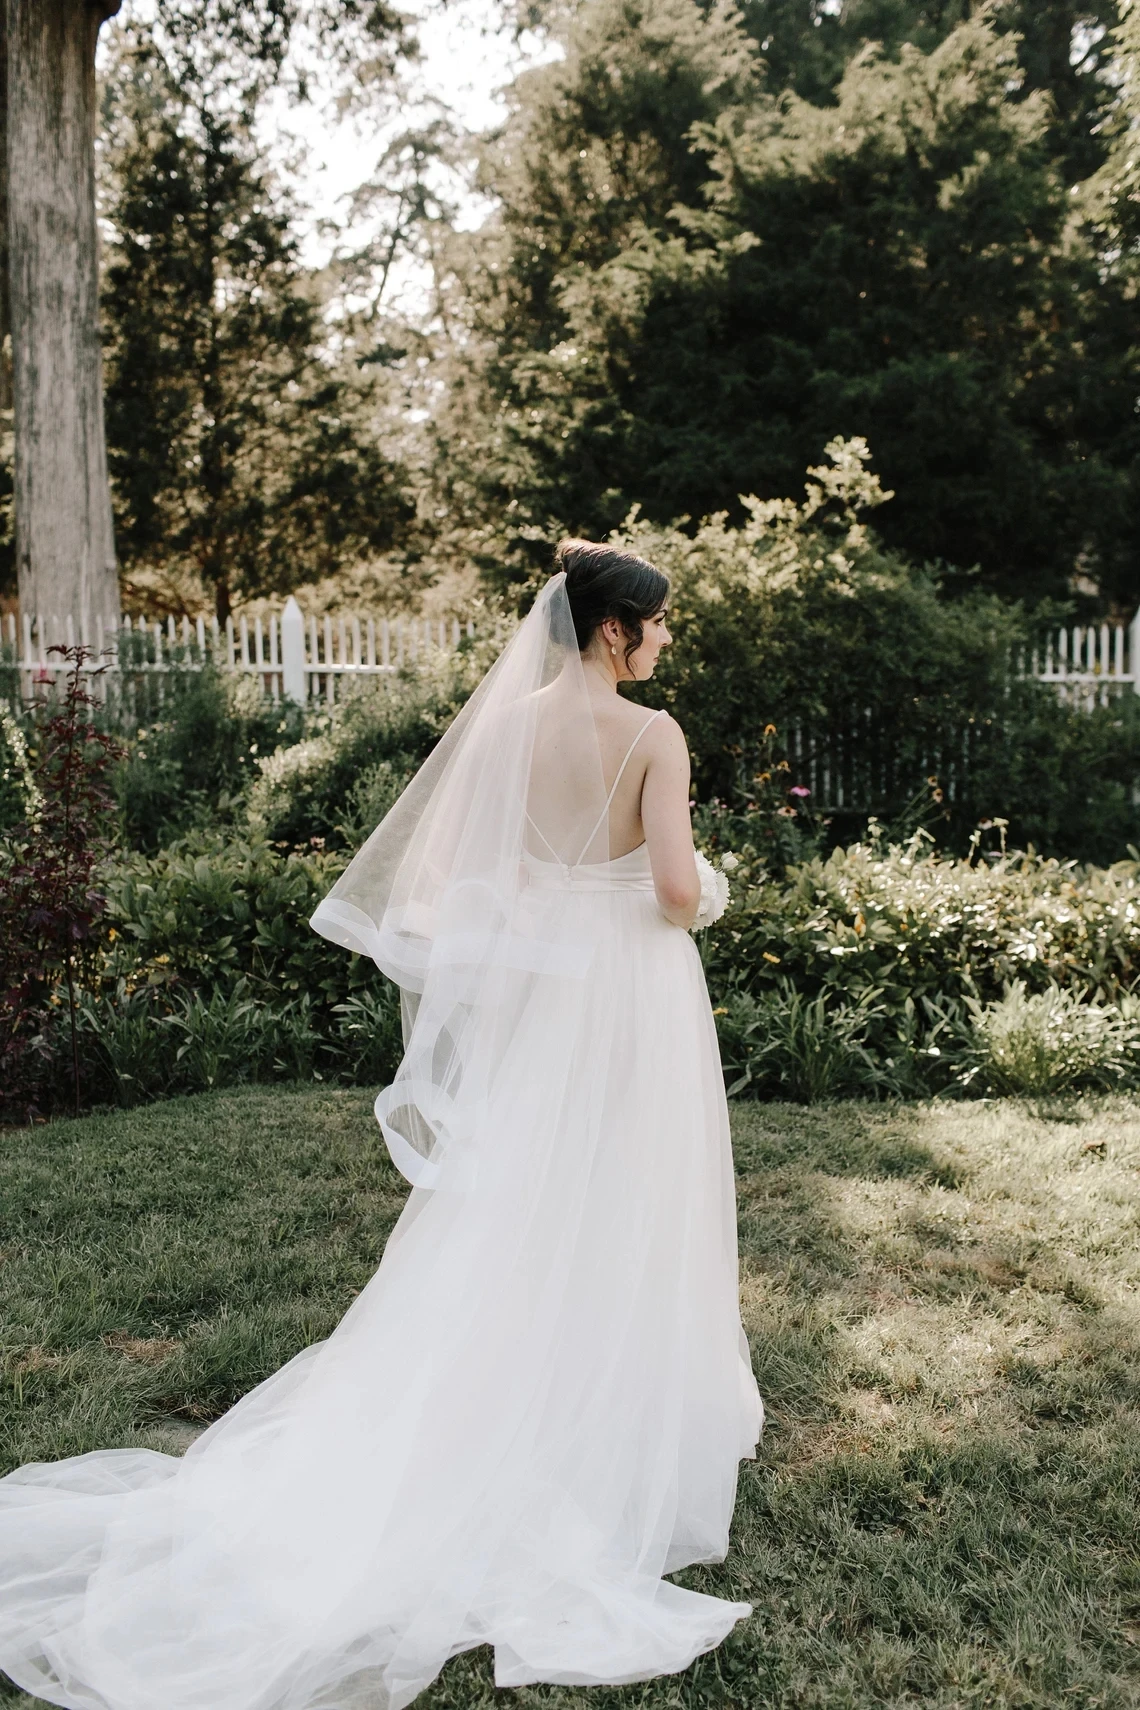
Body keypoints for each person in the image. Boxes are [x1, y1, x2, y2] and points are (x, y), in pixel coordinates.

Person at [0, 542, 763, 1710]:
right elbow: (670, 891)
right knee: (628, 1194)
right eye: (658, 627)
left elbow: (456, 885)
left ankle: (516, 1395)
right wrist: (709, 888)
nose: (666, 643)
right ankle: (609, 1416)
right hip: (629, 998)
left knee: (524, 1201)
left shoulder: (505, 732)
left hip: (546, 996)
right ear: (618, 632)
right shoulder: (653, 737)